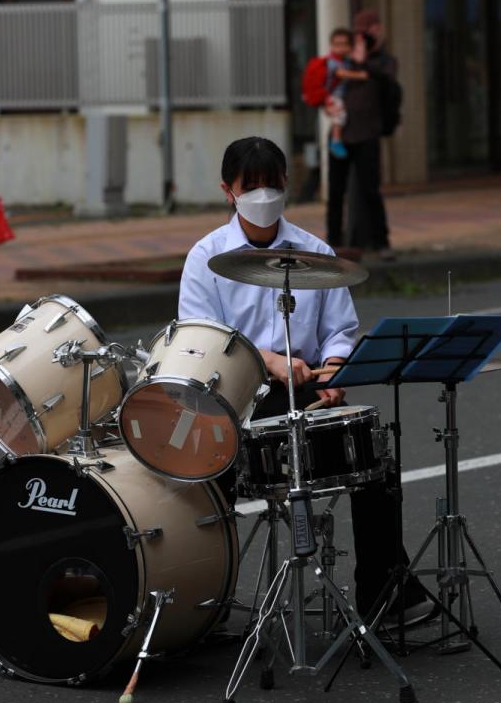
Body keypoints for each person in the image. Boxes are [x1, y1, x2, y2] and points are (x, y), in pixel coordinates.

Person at [178, 136, 432, 624]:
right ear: (227, 191)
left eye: (272, 185)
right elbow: (200, 341)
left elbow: (340, 329)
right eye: (251, 187)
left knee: (376, 462)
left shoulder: (315, 251)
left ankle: (384, 594)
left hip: (310, 390)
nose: (264, 196)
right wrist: (269, 361)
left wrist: (336, 367)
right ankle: (200, 606)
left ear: (287, 185)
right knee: (198, 488)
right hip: (238, 400)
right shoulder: (205, 257)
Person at [325, 8, 395, 257]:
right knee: (335, 190)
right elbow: (328, 80)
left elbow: (385, 80)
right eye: (360, 34)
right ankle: (332, 242)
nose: (364, 39)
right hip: (341, 134)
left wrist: (364, 58)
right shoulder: (342, 60)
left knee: (370, 190)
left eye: (370, 33)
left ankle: (381, 242)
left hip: (368, 133)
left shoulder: (384, 61)